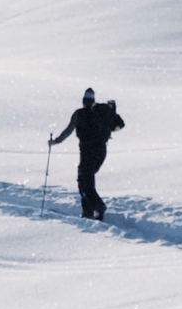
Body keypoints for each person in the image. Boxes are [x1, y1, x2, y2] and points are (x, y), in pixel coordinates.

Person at [49, 86, 125, 221]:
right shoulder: (103, 111)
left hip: (87, 151)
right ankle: (89, 210)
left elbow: (68, 131)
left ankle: (96, 207)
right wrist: (109, 118)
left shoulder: (80, 114)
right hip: (101, 151)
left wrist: (56, 142)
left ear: (83, 101)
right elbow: (119, 125)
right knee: (87, 180)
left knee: (84, 181)